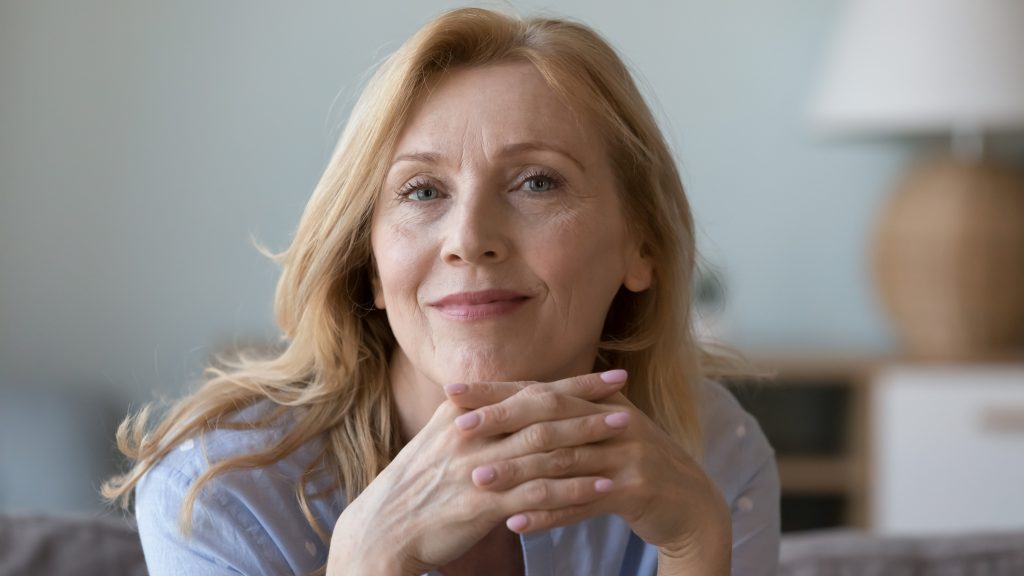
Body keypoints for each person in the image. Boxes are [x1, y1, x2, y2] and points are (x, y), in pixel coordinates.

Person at [103, 7, 780, 576]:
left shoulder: (712, 455)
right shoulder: (220, 488)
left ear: (643, 247)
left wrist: (694, 545)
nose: (468, 238)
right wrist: (368, 561)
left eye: (537, 182)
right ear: (370, 262)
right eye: (422, 191)